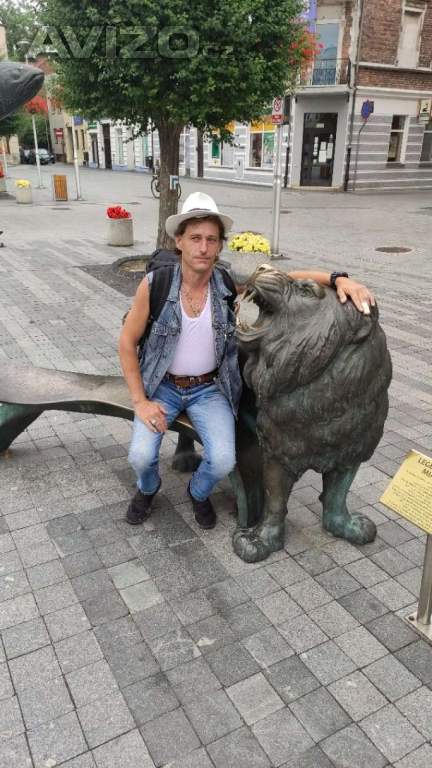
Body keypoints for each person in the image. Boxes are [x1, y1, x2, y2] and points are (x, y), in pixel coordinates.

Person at [119, 192, 374, 529]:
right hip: (162, 388)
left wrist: (339, 278)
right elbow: (127, 342)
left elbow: (286, 279)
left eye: (211, 239)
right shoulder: (157, 284)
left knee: (223, 460)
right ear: (179, 241)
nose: (203, 247)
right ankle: (148, 488)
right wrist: (140, 402)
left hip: (208, 390)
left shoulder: (225, 283)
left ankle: (198, 492)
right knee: (140, 457)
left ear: (219, 246)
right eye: (195, 238)